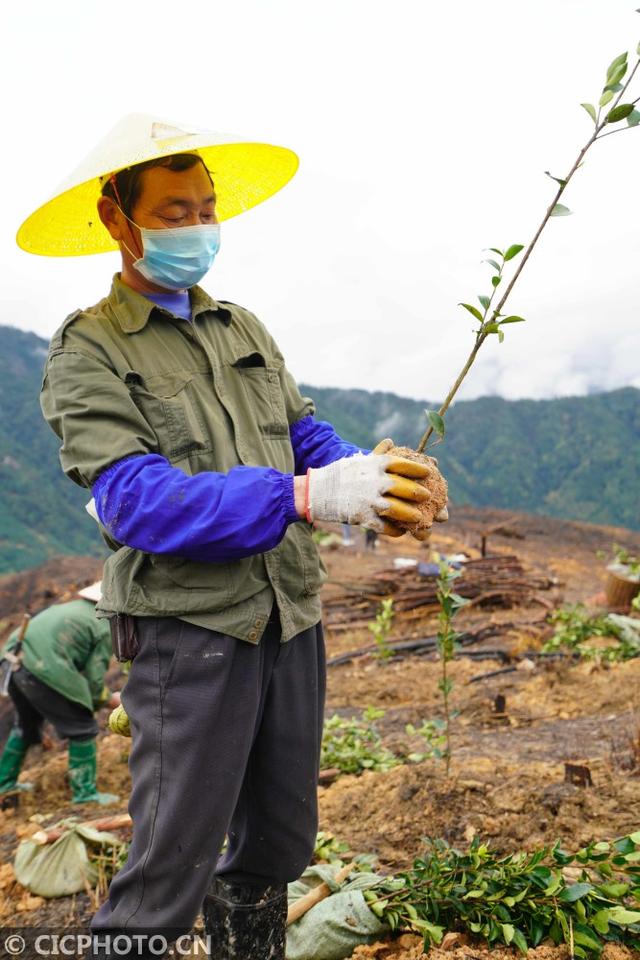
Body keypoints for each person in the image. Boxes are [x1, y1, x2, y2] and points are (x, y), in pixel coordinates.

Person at [19, 114, 447, 958]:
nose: (197, 228)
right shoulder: (89, 349)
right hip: (193, 633)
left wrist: (370, 478)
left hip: (291, 615)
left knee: (277, 844)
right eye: (174, 211)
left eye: (206, 209)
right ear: (117, 219)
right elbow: (138, 501)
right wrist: (306, 495)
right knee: (166, 869)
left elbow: (303, 433)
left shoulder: (242, 328)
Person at [0, 582, 121, 805]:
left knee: (26, 724)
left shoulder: (68, 608)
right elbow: (94, 684)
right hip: (42, 668)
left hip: (12, 660)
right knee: (82, 728)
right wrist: (112, 700)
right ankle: (85, 795)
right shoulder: (102, 625)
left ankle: (4, 785)